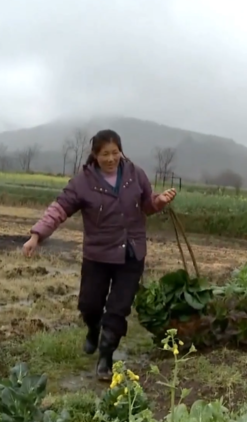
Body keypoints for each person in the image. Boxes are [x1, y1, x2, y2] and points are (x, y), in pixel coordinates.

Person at [23, 129, 177, 380]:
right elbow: (59, 209)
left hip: (131, 253)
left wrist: (159, 202)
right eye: (105, 154)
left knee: (118, 308)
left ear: (121, 152)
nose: (111, 158)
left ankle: (105, 356)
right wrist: (36, 235)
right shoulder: (83, 182)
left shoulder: (135, 174)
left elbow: (147, 204)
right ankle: (93, 329)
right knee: (90, 304)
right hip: (98, 255)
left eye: (115, 152)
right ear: (94, 155)